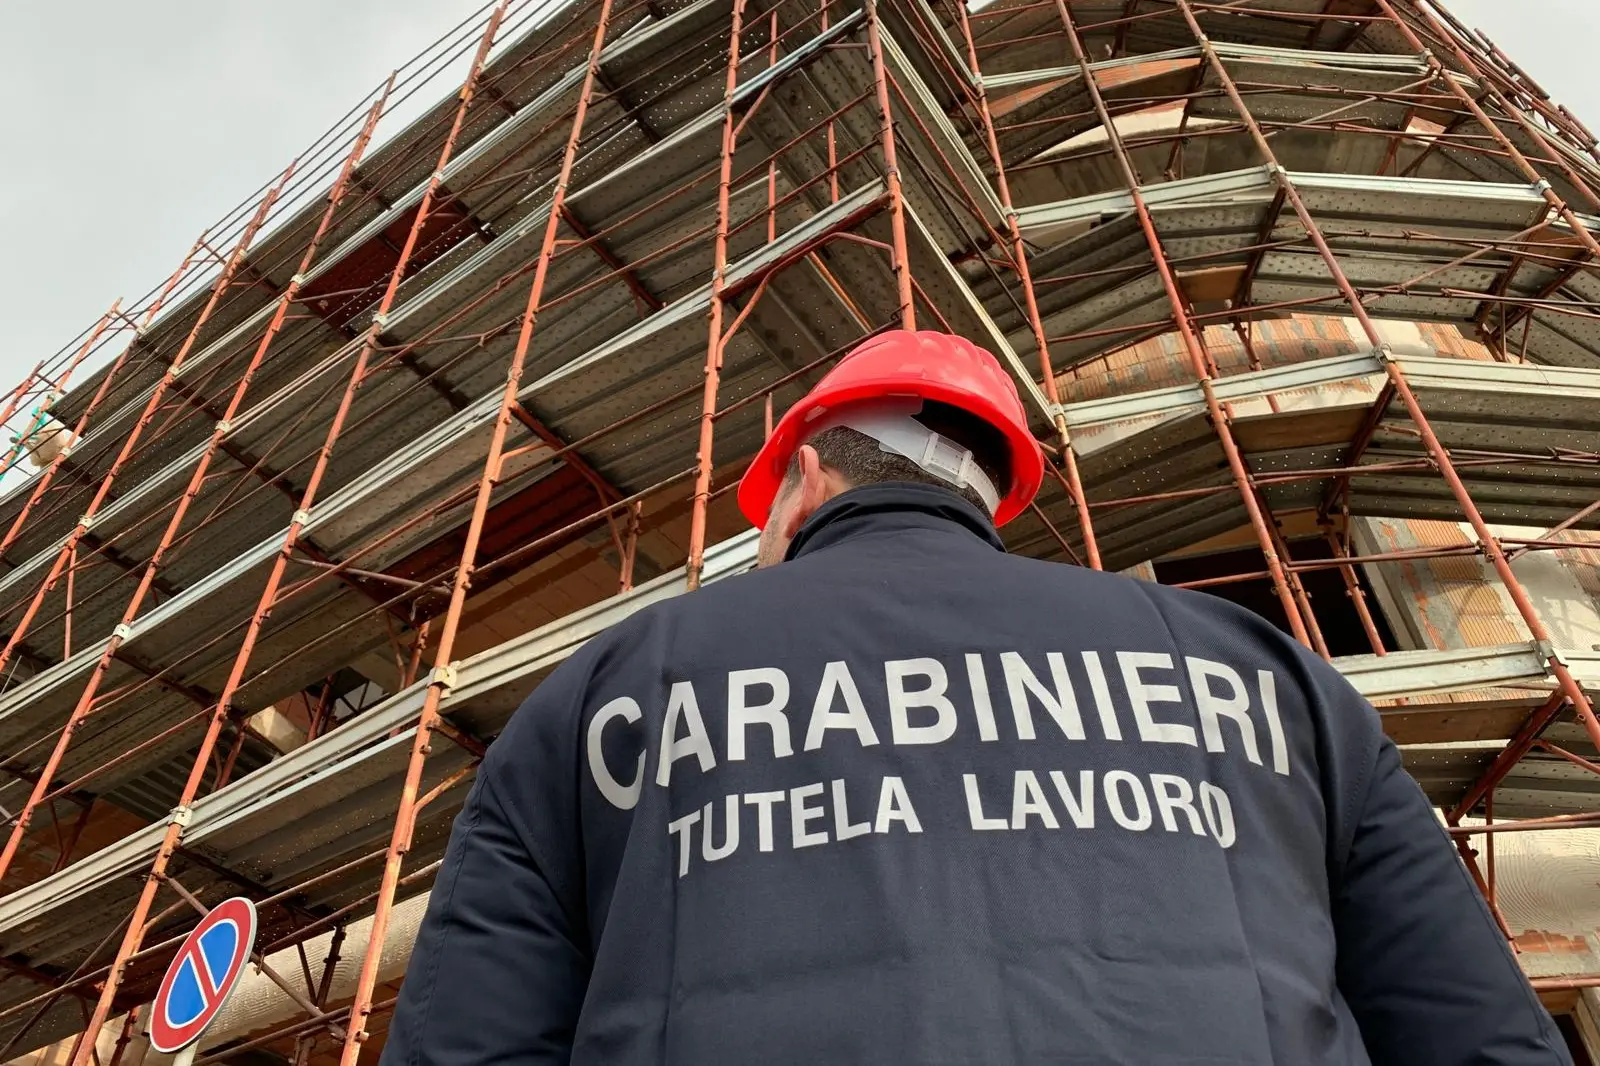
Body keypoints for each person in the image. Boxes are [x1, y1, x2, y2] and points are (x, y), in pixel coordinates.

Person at [381, 331, 1570, 1065]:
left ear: (802, 476)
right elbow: (1470, 1028)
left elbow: (472, 1039)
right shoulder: (1267, 674)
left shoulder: (600, 697)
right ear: (991, 491)